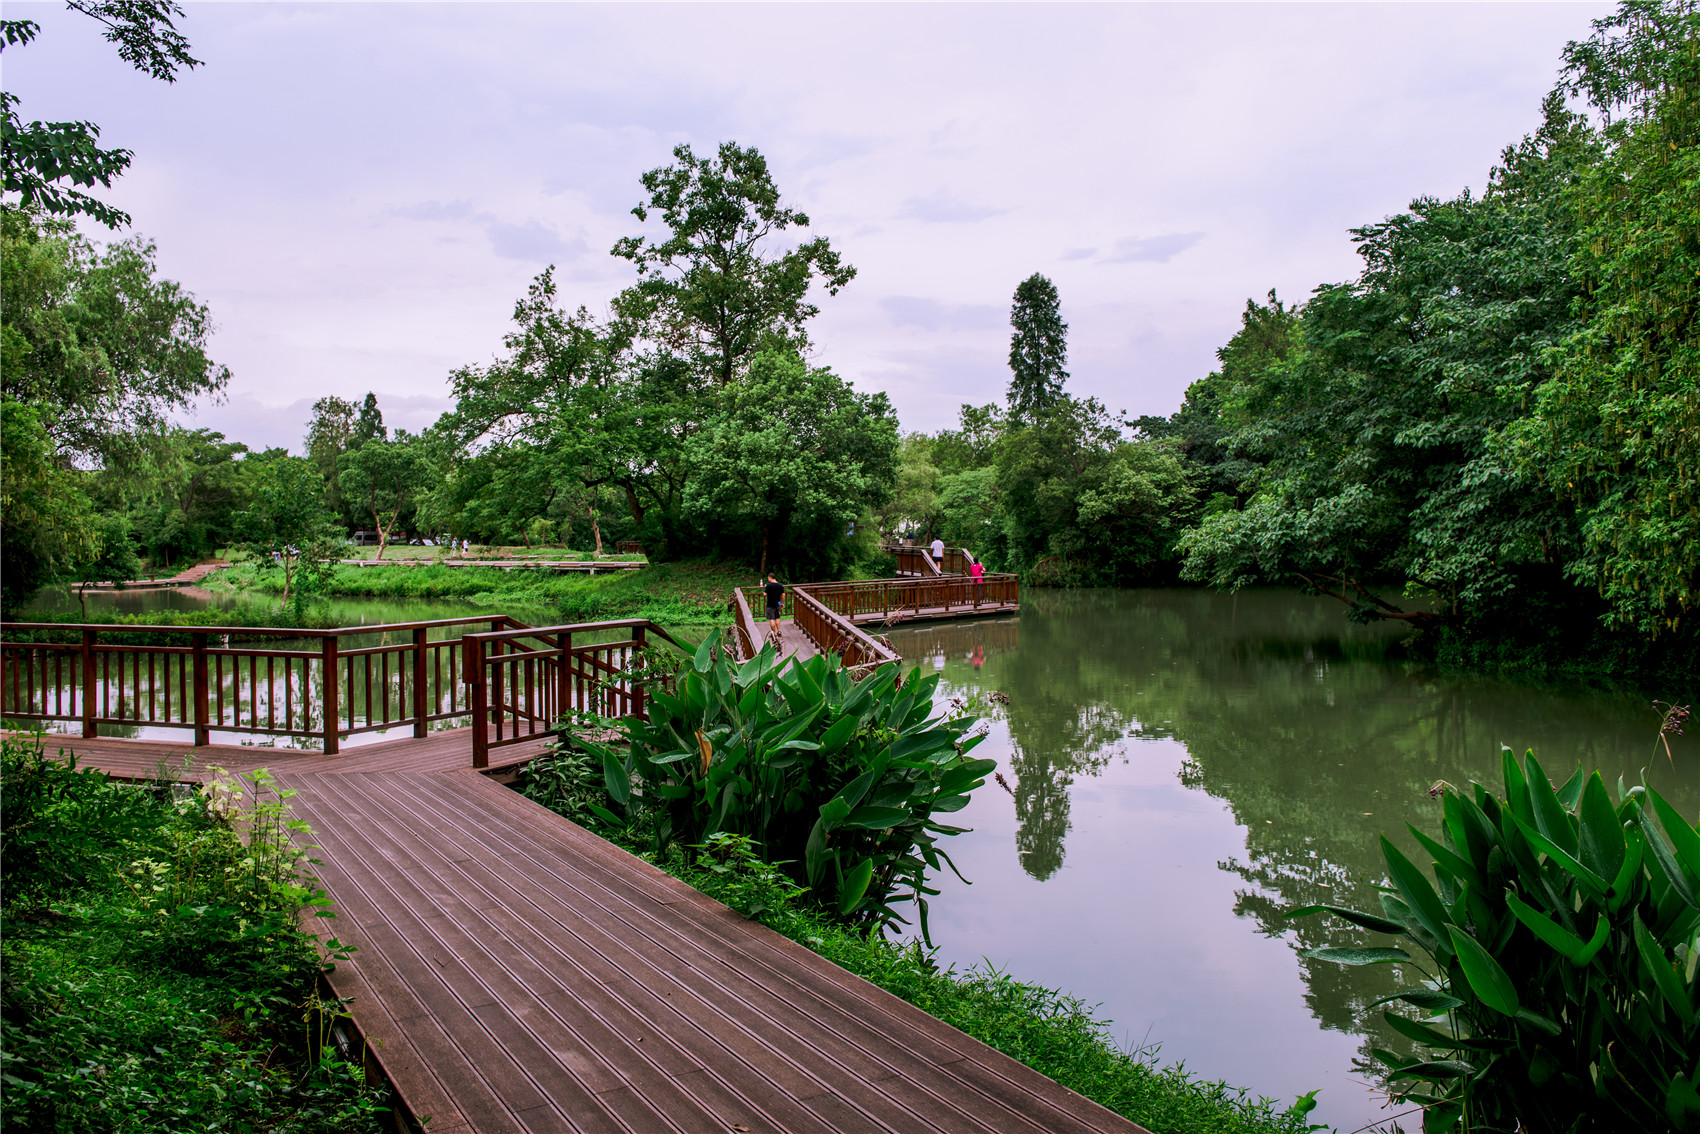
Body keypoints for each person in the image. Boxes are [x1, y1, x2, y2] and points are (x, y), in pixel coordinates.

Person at [763, 572, 785, 642]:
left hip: (770, 604)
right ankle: (779, 631)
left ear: (770, 577)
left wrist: (765, 589)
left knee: (771, 619)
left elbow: (764, 594)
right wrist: (782, 603)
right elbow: (783, 595)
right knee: (777, 617)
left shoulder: (768, 585)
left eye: (768, 578)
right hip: (778, 603)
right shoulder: (780, 585)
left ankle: (774, 633)